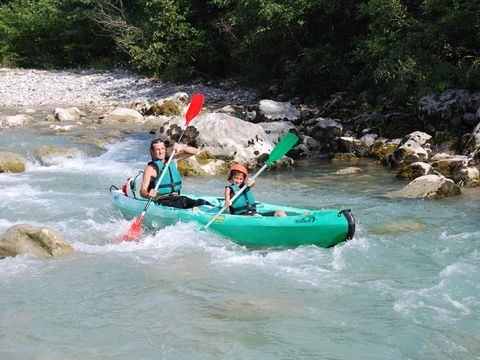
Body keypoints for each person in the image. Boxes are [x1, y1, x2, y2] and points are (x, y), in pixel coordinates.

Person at [139, 138, 211, 208]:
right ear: (152, 152)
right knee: (181, 205)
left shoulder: (173, 159)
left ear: (165, 149)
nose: (160, 152)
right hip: (163, 200)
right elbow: (142, 191)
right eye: (157, 150)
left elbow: (195, 151)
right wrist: (149, 195)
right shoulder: (150, 169)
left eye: (162, 148)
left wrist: (181, 147)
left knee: (203, 203)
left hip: (177, 198)